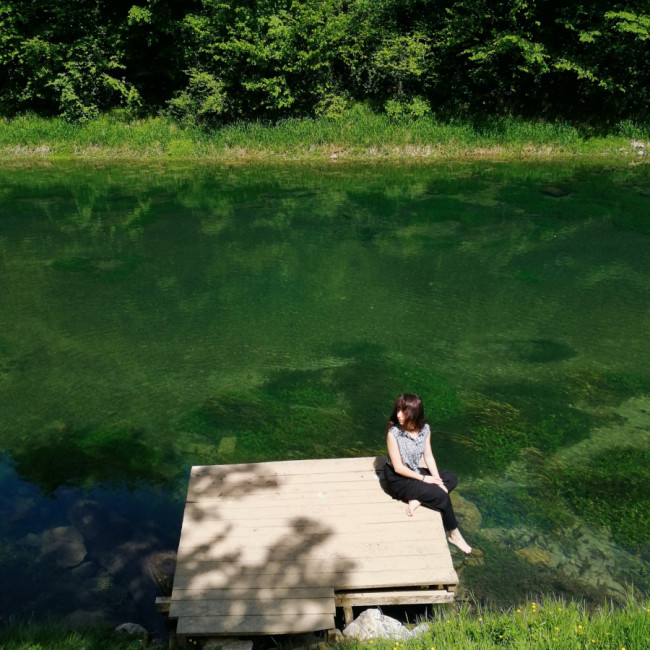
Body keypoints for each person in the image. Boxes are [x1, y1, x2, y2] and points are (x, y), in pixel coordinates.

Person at [384, 392, 472, 554]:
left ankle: (418, 499)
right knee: (442, 496)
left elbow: (428, 456)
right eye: (398, 410)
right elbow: (398, 467)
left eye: (404, 411)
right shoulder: (394, 433)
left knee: (451, 478)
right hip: (399, 479)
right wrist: (425, 478)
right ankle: (454, 535)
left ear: (415, 413)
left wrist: (437, 479)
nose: (399, 415)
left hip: (415, 472)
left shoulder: (425, 430)